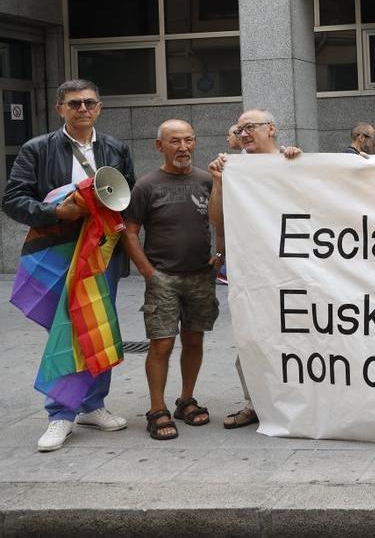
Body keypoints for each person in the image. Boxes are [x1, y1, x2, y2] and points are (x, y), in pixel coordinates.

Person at [2, 79, 135, 452]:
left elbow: (128, 193)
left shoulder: (115, 148)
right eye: (74, 103)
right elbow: (12, 199)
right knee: (67, 326)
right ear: (60, 108)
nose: (82, 109)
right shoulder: (37, 149)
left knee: (98, 323)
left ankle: (93, 405)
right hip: (58, 247)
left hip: (100, 251)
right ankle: (60, 413)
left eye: (89, 102)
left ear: (99, 107)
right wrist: (54, 212)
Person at [122, 120, 218, 441]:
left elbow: (220, 218)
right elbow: (130, 232)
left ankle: (185, 400)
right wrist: (148, 272)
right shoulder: (146, 186)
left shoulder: (207, 180)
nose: (183, 148)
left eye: (189, 140)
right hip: (163, 276)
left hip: (201, 277)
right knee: (161, 343)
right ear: (159, 145)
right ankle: (156, 408)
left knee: (194, 340)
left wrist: (220, 255)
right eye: (175, 141)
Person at [208, 109, 301, 429]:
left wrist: (300, 163)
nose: (244, 133)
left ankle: (301, 398)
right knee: (251, 338)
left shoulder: (294, 162)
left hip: (293, 269)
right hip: (251, 272)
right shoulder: (231, 169)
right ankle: (254, 402)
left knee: (298, 337)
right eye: (239, 128)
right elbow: (218, 219)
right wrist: (219, 183)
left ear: (272, 129)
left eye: (251, 127)